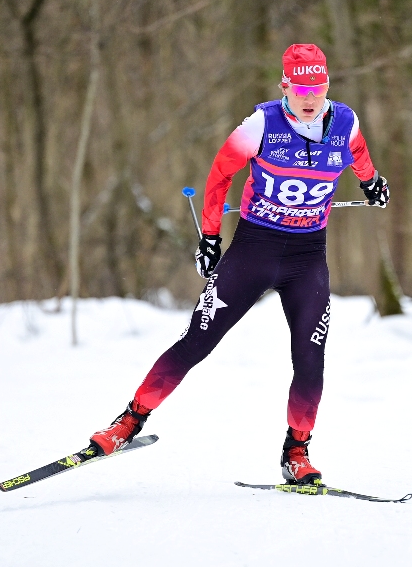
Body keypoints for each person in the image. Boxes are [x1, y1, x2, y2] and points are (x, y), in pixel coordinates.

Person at [87, 43, 390, 485]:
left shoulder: (344, 121)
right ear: (285, 84)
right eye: (301, 87)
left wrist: (371, 182)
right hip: (255, 248)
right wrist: (210, 236)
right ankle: (129, 422)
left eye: (318, 87)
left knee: (310, 358)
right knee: (197, 341)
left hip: (308, 256)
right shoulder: (261, 123)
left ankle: (297, 452)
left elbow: (358, 154)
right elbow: (220, 174)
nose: (310, 98)